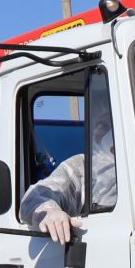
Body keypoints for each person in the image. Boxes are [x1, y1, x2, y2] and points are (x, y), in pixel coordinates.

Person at [20, 91, 116, 245]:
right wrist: (49, 212)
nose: (111, 133)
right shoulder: (85, 166)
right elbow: (35, 197)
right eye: (103, 126)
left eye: (114, 124)